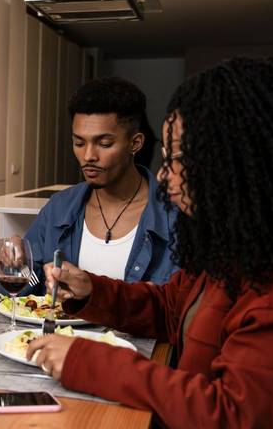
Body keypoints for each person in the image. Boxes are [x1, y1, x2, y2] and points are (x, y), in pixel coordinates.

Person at [28, 57, 273, 429]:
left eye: (177, 160)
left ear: (231, 163)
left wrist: (86, 360)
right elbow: (167, 306)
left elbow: (228, 418)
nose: (163, 176)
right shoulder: (234, 255)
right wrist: (92, 290)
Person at [21, 76, 177, 295]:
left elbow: (181, 305)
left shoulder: (173, 215)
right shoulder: (59, 207)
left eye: (104, 143)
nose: (88, 156)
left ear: (135, 143)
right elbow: (26, 291)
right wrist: (19, 265)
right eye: (79, 143)